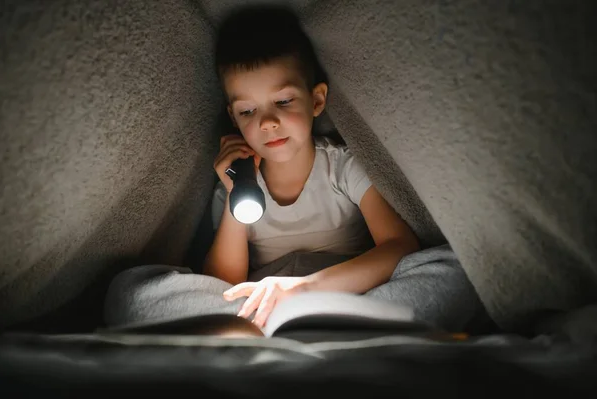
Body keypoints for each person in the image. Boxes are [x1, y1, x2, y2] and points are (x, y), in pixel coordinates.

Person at [103, 6, 485, 333]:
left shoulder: (343, 165)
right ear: (233, 120)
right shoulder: (235, 183)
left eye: (283, 101)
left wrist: (304, 289)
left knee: (457, 271)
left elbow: (399, 246)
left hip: (342, 289)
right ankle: (301, 333)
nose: (267, 122)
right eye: (248, 111)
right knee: (130, 292)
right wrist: (239, 190)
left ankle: (295, 328)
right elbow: (226, 282)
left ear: (316, 100)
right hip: (262, 301)